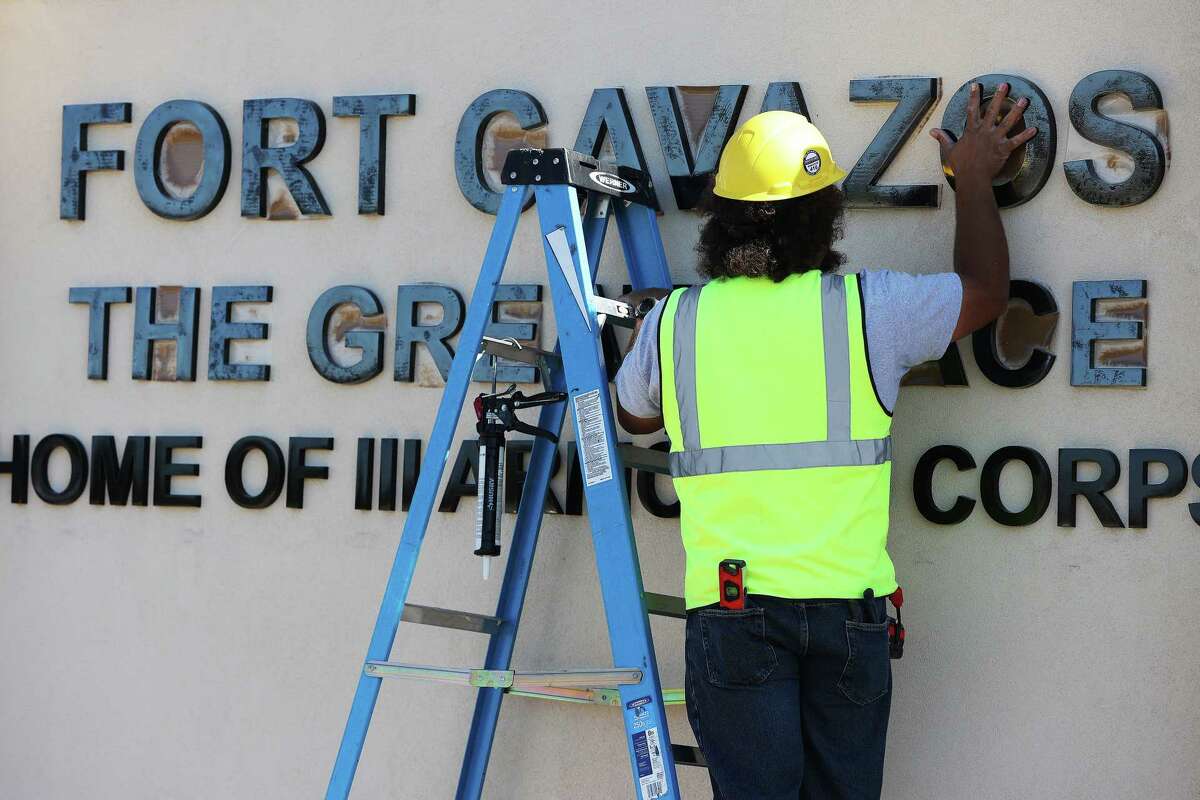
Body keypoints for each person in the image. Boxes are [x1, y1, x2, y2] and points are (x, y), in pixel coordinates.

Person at [614, 83, 1037, 799]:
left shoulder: (676, 321)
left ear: (721, 218)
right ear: (825, 219)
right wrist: (970, 179)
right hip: (848, 614)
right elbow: (986, 292)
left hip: (733, 612)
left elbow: (632, 418)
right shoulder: (872, 310)